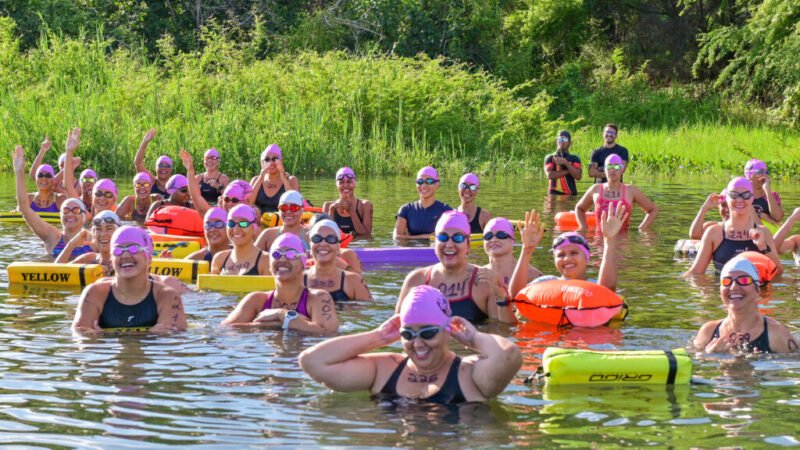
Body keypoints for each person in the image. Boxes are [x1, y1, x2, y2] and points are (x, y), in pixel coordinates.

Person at [299, 285, 522, 404]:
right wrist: (379, 336)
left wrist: (473, 338)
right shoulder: (384, 370)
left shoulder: (468, 373)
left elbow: (509, 355)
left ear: (447, 330)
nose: (417, 343)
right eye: (408, 334)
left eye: (428, 332)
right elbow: (312, 361)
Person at [396, 211, 515, 324]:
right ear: (435, 243)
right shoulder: (416, 280)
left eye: (458, 238)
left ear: (468, 245)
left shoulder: (485, 282)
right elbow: (397, 329)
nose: (449, 245)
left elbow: (503, 332)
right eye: (443, 237)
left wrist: (502, 297)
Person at [72, 226, 187, 332]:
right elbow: (82, 344)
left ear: (149, 258)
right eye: (118, 250)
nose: (125, 256)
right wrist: (151, 334)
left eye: (134, 249)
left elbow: (172, 346)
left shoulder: (168, 296)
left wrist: (104, 337)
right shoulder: (94, 294)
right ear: (112, 260)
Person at [221, 233, 339, 333]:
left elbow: (328, 333)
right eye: (276, 255)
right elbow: (225, 329)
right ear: (269, 263)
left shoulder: (318, 298)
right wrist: (272, 325)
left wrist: (282, 315)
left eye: (291, 254)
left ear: (303, 262)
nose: (282, 260)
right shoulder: (256, 300)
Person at [508, 206, 627, 299]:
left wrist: (609, 242)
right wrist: (527, 250)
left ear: (587, 258)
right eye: (561, 255)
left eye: (574, 253)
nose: (566, 259)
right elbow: (516, 295)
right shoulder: (546, 282)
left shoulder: (595, 285)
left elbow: (607, 294)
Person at [693, 256, 797, 354]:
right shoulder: (708, 332)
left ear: (758, 290)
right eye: (727, 281)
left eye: (744, 280)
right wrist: (710, 356)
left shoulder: (776, 334)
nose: (733, 287)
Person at [13, 135, 91, 260]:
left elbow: (68, 187)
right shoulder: (52, 237)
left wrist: (69, 152)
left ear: (84, 216)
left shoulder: (93, 239)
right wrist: (19, 172)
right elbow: (24, 208)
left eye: (75, 210)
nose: (70, 214)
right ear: (60, 215)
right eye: (65, 210)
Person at [684, 177, 782, 275]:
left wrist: (763, 247)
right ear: (727, 198)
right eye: (734, 195)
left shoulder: (764, 232)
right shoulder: (714, 233)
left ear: (752, 198)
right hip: (723, 288)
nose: (739, 199)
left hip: (755, 290)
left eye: (746, 195)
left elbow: (778, 273)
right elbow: (695, 273)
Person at [575, 154, 658, 232]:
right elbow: (579, 208)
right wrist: (583, 227)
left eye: (616, 166)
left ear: (622, 169)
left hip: (622, 241)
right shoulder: (595, 190)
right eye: (609, 166)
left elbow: (653, 209)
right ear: (605, 169)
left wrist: (642, 229)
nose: (613, 170)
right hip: (600, 241)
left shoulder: (631, 190)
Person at [305, 219, 372, 301]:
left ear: (338, 246)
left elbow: (366, 311)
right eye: (316, 238)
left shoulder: (354, 281)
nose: (323, 243)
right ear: (310, 244)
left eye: (331, 239)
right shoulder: (297, 280)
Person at [393, 166, 453, 239]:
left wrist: (409, 237)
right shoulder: (406, 209)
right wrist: (427, 236)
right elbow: (397, 237)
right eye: (420, 182)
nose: (424, 186)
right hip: (412, 250)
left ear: (437, 184)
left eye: (429, 181)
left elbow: (451, 238)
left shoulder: (446, 211)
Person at [210, 204, 269, 276]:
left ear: (254, 228)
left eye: (243, 223)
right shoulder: (219, 259)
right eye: (231, 223)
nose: (236, 229)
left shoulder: (265, 260)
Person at [482, 218, 541, 287]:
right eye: (488, 236)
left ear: (512, 241)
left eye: (501, 235)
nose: (494, 239)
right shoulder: (477, 275)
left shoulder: (532, 276)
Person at [322, 167, 373, 236]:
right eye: (341, 182)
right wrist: (332, 211)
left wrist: (351, 211)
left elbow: (367, 236)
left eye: (349, 181)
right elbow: (324, 235)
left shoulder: (365, 205)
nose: (345, 185)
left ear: (355, 183)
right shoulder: (328, 206)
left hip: (357, 246)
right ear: (337, 185)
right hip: (338, 246)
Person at [251, 144, 301, 214]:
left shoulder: (291, 180)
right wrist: (261, 178)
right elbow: (248, 204)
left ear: (281, 161)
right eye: (267, 159)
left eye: (275, 159)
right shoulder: (256, 180)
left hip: (282, 221)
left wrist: (283, 177)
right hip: (260, 222)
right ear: (262, 162)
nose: (271, 163)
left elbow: (296, 203)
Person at [133, 128, 172, 198]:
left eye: (167, 166)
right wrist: (144, 142)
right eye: (160, 165)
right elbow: (138, 163)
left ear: (171, 169)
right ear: (155, 168)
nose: (163, 168)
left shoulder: (175, 184)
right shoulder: (151, 181)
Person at [544, 130, 582, 195]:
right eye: (560, 139)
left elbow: (578, 177)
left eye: (565, 139)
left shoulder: (575, 158)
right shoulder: (550, 157)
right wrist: (569, 170)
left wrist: (566, 163)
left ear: (570, 143)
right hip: (554, 195)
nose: (562, 141)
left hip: (571, 195)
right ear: (556, 141)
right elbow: (550, 175)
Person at [744, 159, 783, 223]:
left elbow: (778, 217)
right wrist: (761, 215)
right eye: (760, 172)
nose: (764, 175)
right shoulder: (741, 195)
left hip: (768, 232)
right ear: (750, 175)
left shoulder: (772, 195)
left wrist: (767, 190)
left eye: (766, 172)